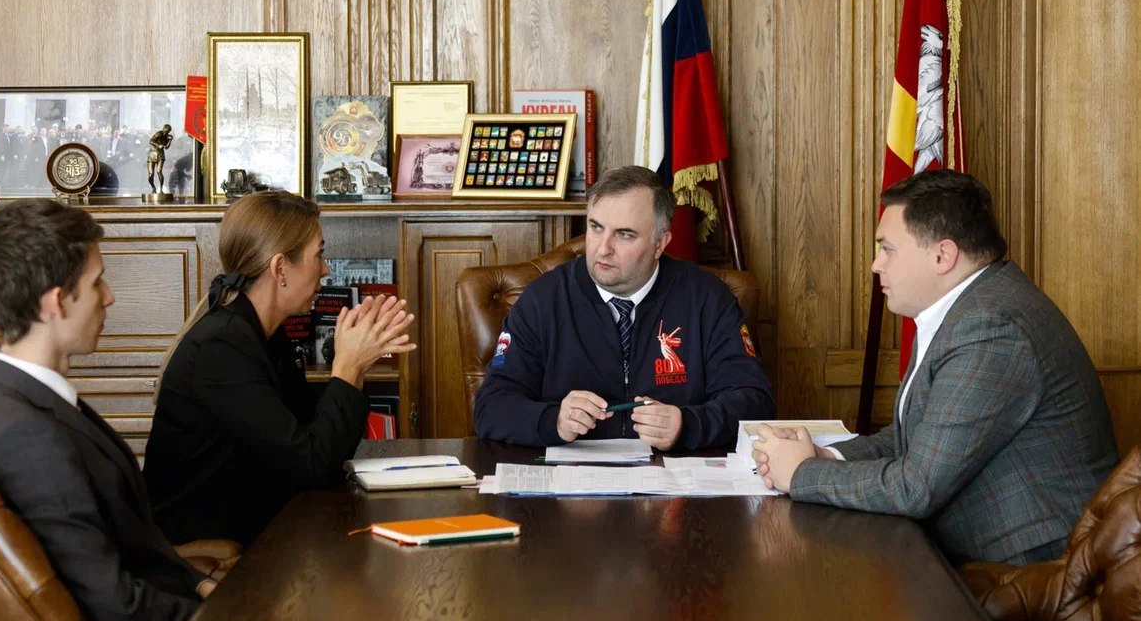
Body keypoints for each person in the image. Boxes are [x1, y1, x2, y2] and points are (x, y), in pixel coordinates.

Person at [752, 170, 1118, 566]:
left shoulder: (991, 327)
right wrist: (825, 457)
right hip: (982, 551)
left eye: (887, 249)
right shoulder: (973, 306)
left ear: (943, 255)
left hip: (1031, 569)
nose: (876, 265)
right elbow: (917, 435)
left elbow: (915, 488)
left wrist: (802, 474)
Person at [0, 200, 214, 621]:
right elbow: (114, 603)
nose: (109, 296)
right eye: (97, 283)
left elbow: (136, 537)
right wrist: (231, 616)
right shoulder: (24, 434)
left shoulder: (32, 394)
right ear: (55, 303)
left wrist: (201, 584)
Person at [144, 191, 416, 546]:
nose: (326, 268)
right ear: (279, 268)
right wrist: (348, 367)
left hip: (264, 525)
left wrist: (355, 362)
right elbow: (312, 466)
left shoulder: (266, 334)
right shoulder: (221, 347)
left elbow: (314, 441)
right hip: (206, 548)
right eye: (318, 254)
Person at [473, 165, 774, 450]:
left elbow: (754, 401)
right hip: (570, 490)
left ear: (660, 244)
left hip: (676, 490)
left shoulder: (707, 299)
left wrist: (688, 425)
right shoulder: (543, 300)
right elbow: (491, 406)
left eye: (624, 234)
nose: (603, 248)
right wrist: (553, 420)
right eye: (596, 227)